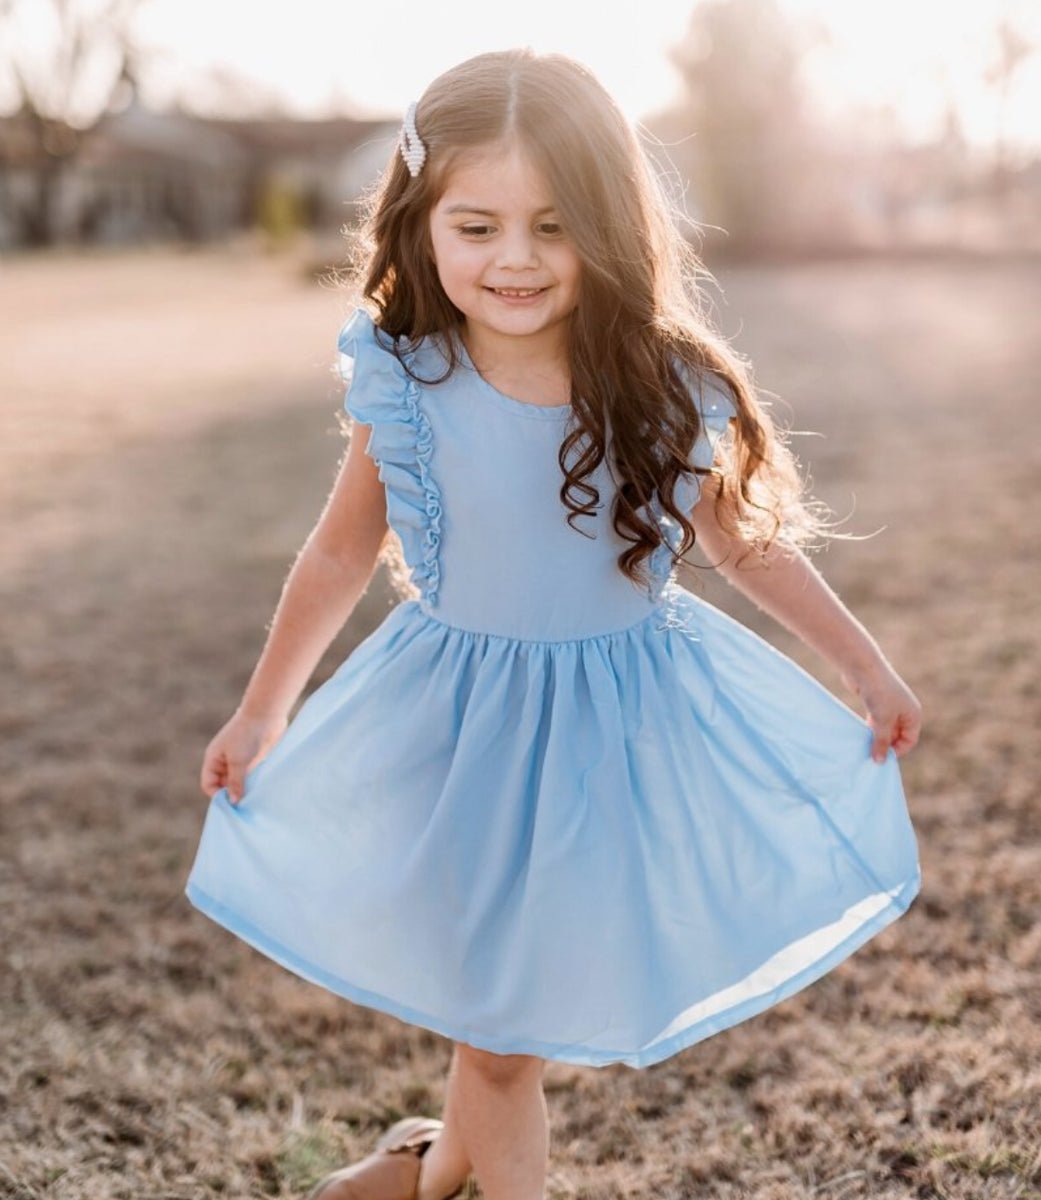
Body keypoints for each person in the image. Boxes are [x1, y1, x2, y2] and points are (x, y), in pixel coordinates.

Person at [184, 47, 923, 1200]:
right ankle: (432, 1171)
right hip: (462, 732)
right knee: (502, 1027)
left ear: (611, 227)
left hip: (613, 737)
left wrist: (865, 668)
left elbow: (741, 544)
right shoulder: (411, 376)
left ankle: (421, 1172)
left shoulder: (660, 386)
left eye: (553, 227)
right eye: (477, 227)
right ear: (422, 219)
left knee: (505, 1021)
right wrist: (264, 708)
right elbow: (339, 551)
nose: (515, 260)